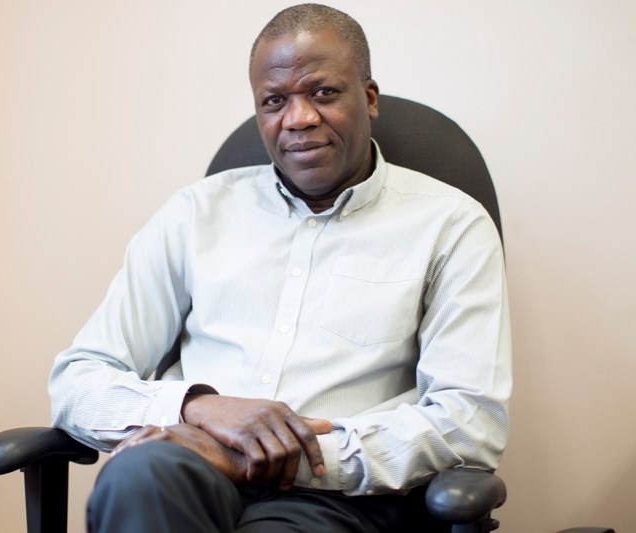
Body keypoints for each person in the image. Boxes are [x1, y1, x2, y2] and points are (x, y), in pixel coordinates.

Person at [49, 4, 511, 532]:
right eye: (274, 101)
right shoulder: (194, 214)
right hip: (190, 471)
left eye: (323, 93)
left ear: (370, 98)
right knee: (137, 477)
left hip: (339, 498)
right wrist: (197, 407)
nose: (298, 118)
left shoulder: (450, 225)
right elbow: (77, 380)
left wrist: (276, 455)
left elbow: (470, 423)